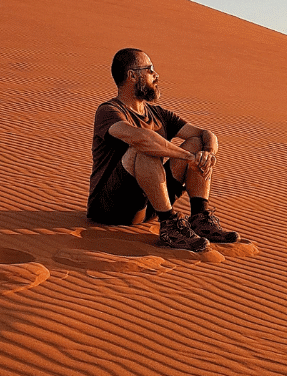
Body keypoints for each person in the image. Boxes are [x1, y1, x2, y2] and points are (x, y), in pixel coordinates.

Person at [87, 48, 241, 252]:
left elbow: (206, 134)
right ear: (132, 75)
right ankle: (169, 225)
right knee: (145, 148)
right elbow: (144, 139)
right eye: (149, 70)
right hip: (110, 209)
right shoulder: (108, 111)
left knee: (196, 142)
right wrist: (188, 157)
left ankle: (200, 219)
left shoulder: (158, 114)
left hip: (149, 207)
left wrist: (207, 153)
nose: (156, 75)